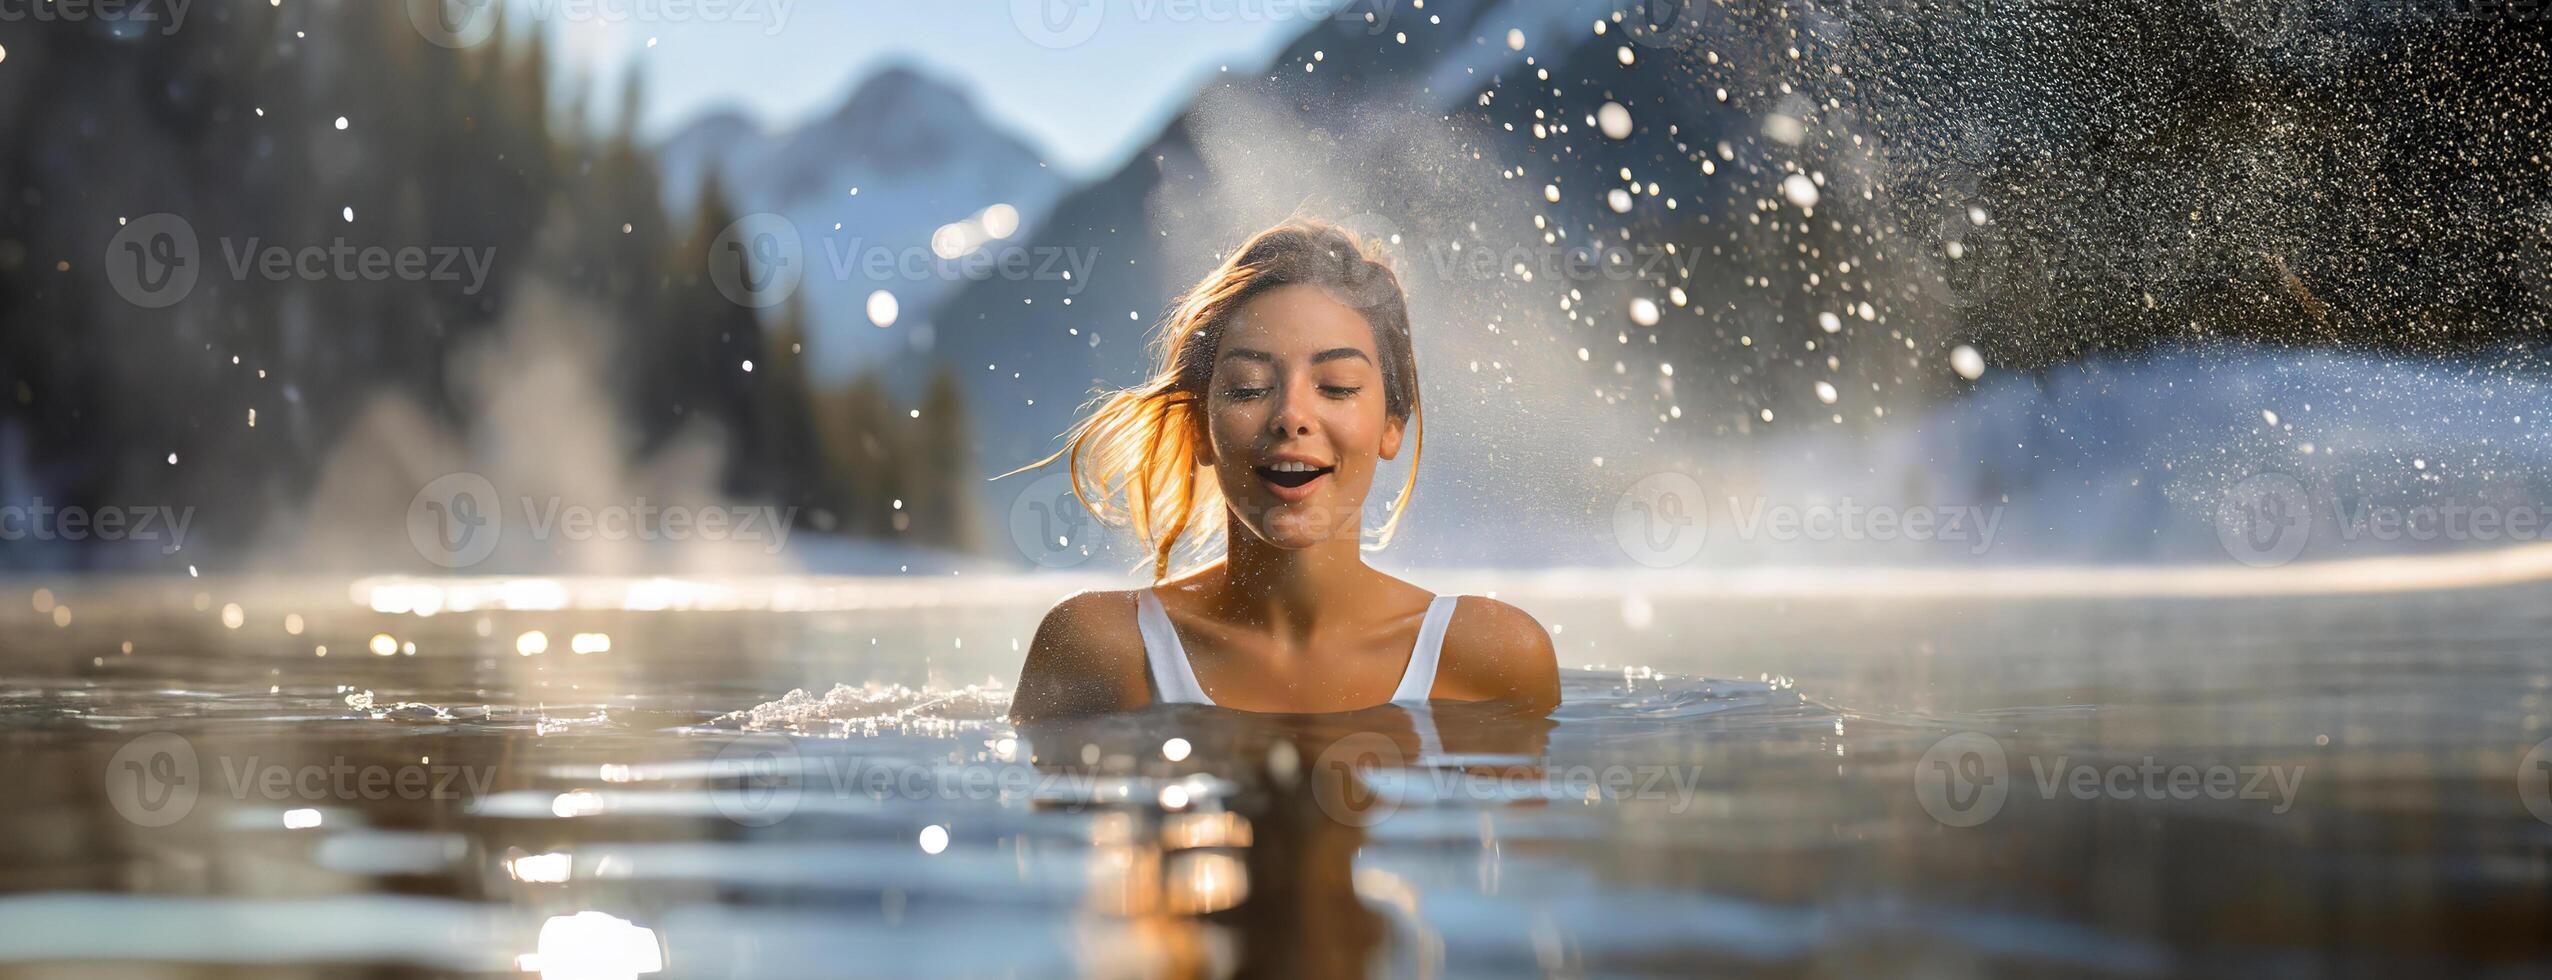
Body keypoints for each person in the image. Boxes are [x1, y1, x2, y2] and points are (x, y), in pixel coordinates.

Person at [1004, 218, 1560, 722]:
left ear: (1393, 423)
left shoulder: (1493, 656)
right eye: (1248, 387)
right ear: (1199, 425)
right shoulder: (1102, 649)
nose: (1292, 416)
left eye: (1337, 387)